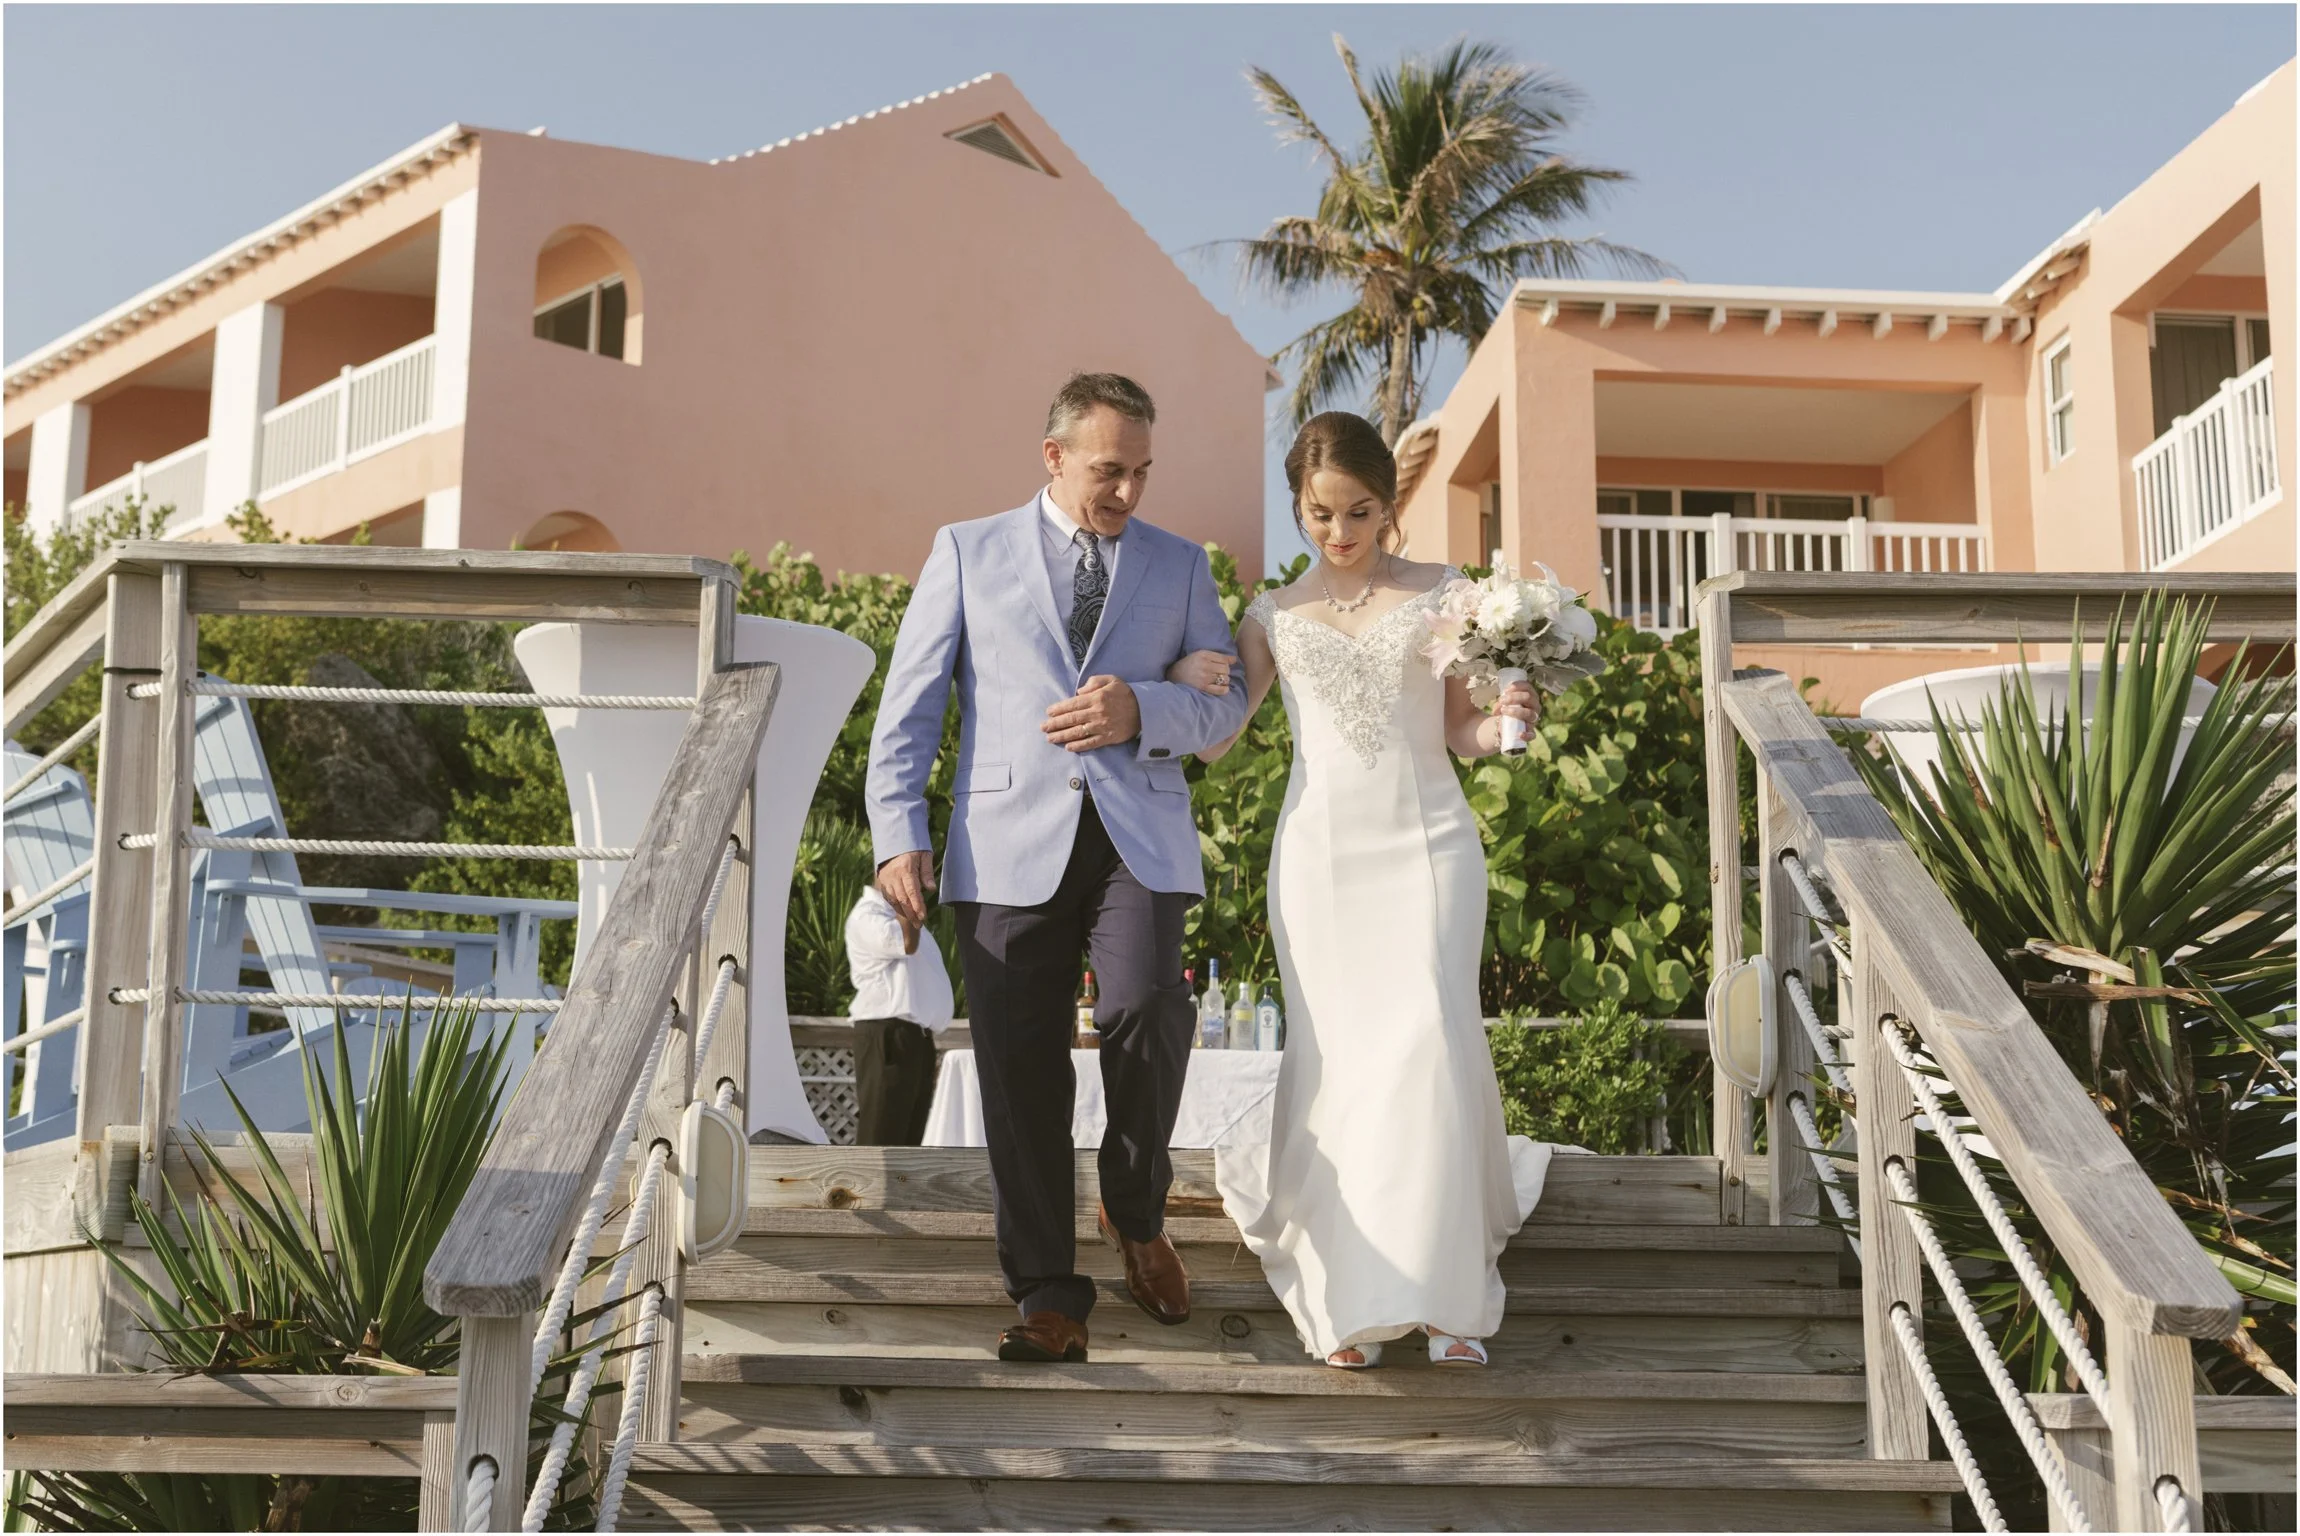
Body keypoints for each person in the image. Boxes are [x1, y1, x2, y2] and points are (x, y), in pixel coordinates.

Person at [865, 372, 1252, 1364]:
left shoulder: (1179, 565)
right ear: (1053, 456)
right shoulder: (965, 550)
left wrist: (1144, 711)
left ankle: (1133, 1205)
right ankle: (1047, 1290)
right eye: (1106, 470)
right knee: (1018, 1066)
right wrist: (895, 832)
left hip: (1140, 832)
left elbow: (1222, 702)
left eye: (1139, 473)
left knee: (1143, 1010)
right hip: (1000, 841)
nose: (1125, 491)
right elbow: (910, 706)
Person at [1166, 411, 1554, 1370]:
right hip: (1319, 860)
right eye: (1320, 514)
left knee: (1426, 1033)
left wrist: (1510, 717)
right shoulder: (1272, 616)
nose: (1339, 533)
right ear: (1298, 507)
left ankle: (1442, 1293)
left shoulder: (1447, 597)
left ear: (1389, 506)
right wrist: (1176, 675)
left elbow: (1462, 733)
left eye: (1360, 512)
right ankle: (1352, 1296)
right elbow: (1216, 736)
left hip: (1428, 843)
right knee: (1340, 1057)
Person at [844, 884, 955, 1145]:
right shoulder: (868, 915)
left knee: (909, 1144)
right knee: (881, 1140)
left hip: (916, 1037)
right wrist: (905, 899)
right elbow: (905, 942)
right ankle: (870, 1189)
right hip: (887, 1034)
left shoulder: (904, 918)